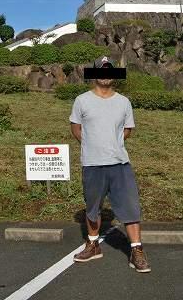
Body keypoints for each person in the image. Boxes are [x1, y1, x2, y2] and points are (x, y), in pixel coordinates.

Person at [69, 56, 151, 273]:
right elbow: (75, 127)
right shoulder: (82, 100)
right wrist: (92, 144)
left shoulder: (123, 102)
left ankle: (137, 251)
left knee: (130, 206)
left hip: (119, 163)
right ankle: (93, 245)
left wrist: (112, 144)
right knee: (92, 207)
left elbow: (128, 130)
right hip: (92, 164)